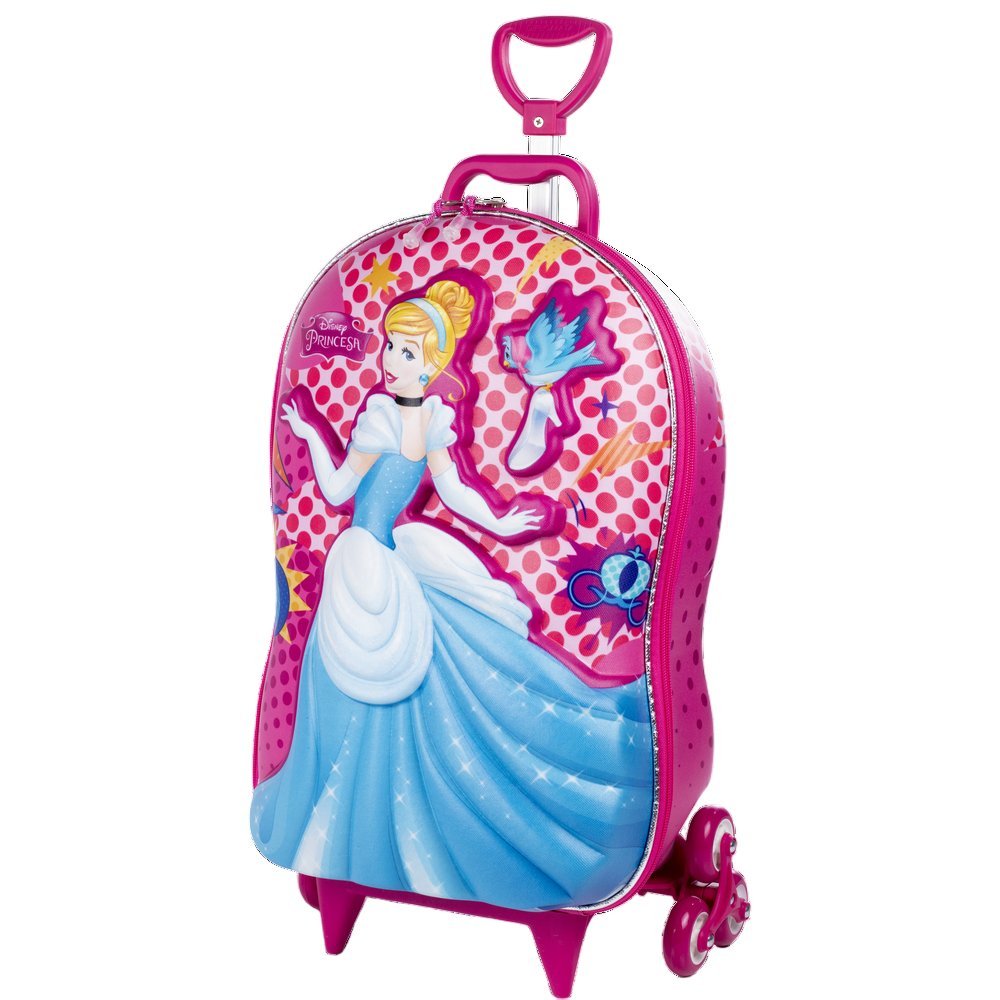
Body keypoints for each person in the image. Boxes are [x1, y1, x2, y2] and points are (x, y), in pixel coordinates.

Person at [251, 278, 654, 910]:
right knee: (367, 676)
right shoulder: (380, 416)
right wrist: (309, 431)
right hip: (362, 559)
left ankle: (381, 829)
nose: (390, 359)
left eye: (406, 351)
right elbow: (336, 493)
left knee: (413, 665)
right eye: (390, 345)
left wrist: (503, 524)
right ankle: (358, 826)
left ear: (431, 363)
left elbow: (457, 493)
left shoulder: (433, 419)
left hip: (386, 557)